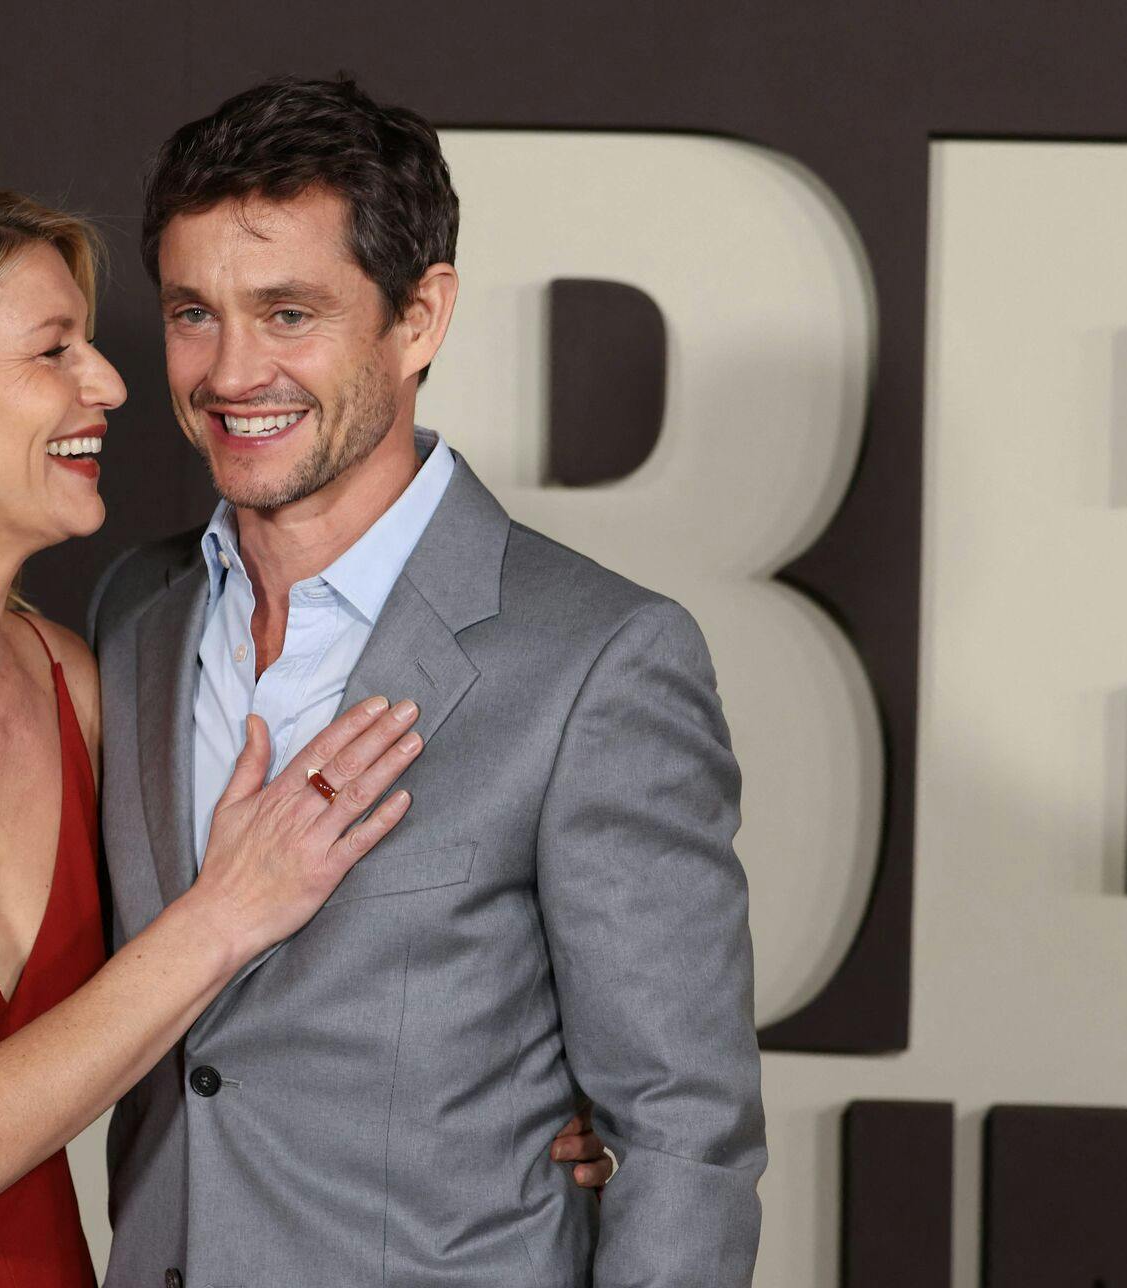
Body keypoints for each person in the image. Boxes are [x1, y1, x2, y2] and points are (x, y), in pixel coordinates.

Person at [0, 180, 609, 1286]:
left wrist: (516, 1103)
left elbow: (220, 1029)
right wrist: (229, 911)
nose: (109, 384)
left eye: (96, 347)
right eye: (51, 351)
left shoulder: (76, 677)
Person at [82, 78, 767, 1286]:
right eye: (195, 313)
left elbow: (683, 1137)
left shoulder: (598, 661)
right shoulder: (133, 615)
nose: (232, 373)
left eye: (289, 313)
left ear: (420, 318)